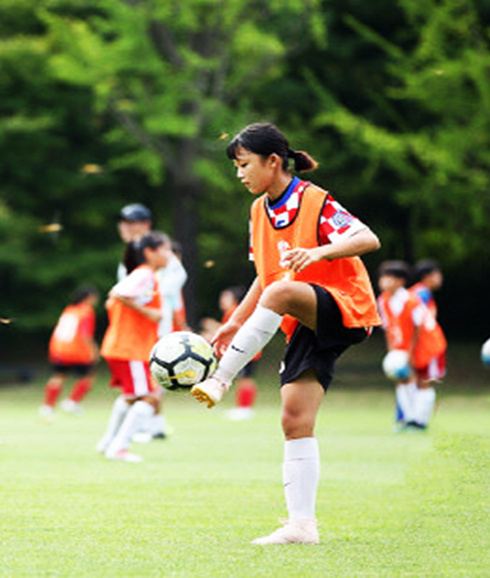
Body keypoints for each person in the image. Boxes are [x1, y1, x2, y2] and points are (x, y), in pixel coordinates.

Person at [191, 123, 381, 545]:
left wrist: (318, 251)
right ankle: (301, 527)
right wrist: (234, 321)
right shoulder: (258, 210)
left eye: (244, 164)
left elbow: (368, 238)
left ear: (273, 161)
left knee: (280, 292)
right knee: (294, 419)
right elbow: (265, 277)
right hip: (304, 319)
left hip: (345, 305)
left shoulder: (315, 200)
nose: (239, 174)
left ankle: (221, 378)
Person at [96, 231, 172, 462]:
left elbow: (112, 301)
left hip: (124, 346)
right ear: (150, 252)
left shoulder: (145, 275)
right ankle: (118, 447)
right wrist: (149, 313)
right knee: (151, 398)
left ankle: (108, 442)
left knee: (131, 397)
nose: (169, 254)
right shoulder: (145, 274)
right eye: (165, 249)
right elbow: (117, 294)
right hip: (131, 348)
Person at [116, 204, 187, 441]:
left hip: (156, 327)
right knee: (143, 383)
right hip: (135, 328)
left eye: (131, 222)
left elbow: (171, 286)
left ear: (145, 224)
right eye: (123, 222)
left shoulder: (159, 252)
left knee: (147, 382)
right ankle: (152, 426)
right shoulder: (130, 257)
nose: (125, 227)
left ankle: (142, 428)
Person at [376, 261, 435, 431]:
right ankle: (408, 419)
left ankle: (420, 421)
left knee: (423, 381)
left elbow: (419, 328)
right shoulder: (383, 300)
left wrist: (410, 354)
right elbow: (388, 327)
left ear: (400, 281)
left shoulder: (411, 300)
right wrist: (392, 351)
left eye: (389, 278)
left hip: (424, 345)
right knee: (401, 380)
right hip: (401, 347)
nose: (384, 282)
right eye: (382, 278)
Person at [40, 285, 99, 418]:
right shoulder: (86, 311)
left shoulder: (69, 310)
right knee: (88, 377)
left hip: (59, 348)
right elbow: (85, 334)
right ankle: (72, 402)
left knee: (58, 377)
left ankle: (48, 407)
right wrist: (93, 349)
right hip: (77, 350)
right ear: (89, 297)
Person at [409, 259, 447, 422]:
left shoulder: (421, 293)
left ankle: (414, 419)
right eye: (437, 274)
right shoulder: (421, 294)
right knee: (425, 381)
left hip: (423, 345)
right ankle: (419, 421)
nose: (440, 278)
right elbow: (416, 322)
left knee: (418, 381)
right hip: (425, 345)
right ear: (427, 276)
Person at [215, 286, 259, 421]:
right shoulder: (234, 311)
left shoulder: (234, 312)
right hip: (248, 350)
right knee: (243, 379)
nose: (222, 300)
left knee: (245, 380)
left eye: (226, 297)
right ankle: (243, 407)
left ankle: (245, 409)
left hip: (244, 350)